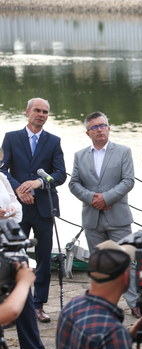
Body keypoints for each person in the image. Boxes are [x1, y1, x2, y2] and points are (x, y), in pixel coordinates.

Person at [1, 97, 66, 324]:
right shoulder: (10, 138)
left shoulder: (54, 141)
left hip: (44, 208)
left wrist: (39, 183)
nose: (41, 114)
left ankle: (38, 305)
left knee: (44, 258)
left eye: (45, 112)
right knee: (14, 258)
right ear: (27, 112)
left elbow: (60, 175)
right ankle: (14, 306)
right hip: (17, 209)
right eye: (37, 110)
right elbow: (2, 169)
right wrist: (18, 188)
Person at [69, 111, 139, 318]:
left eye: (103, 125)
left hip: (118, 217)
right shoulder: (79, 155)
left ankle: (135, 303)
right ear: (87, 133)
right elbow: (73, 183)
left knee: (127, 261)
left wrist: (106, 198)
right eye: (95, 127)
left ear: (109, 128)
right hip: (92, 218)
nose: (100, 130)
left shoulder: (123, 151)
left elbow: (128, 181)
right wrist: (92, 198)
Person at [0, 162, 55, 349]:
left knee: (25, 299)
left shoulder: (2, 178)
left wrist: (9, 211)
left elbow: (18, 207)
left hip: (11, 241)